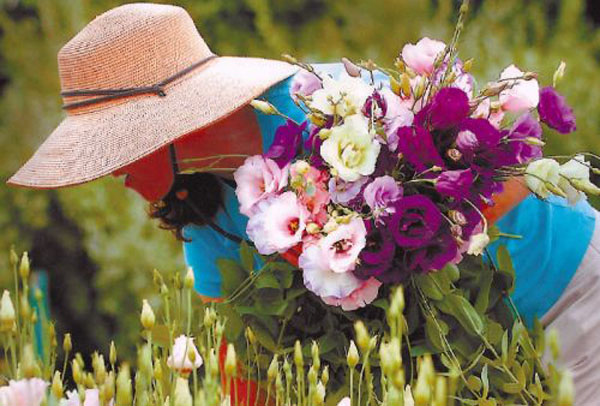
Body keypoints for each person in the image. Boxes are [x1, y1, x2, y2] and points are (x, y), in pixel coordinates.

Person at [7, 3, 600, 405]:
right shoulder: (200, 201)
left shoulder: (331, 107)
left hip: (570, 293)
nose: (112, 174)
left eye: (117, 151)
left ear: (164, 131)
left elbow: (514, 180)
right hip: (476, 362)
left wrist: (384, 256)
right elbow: (244, 356)